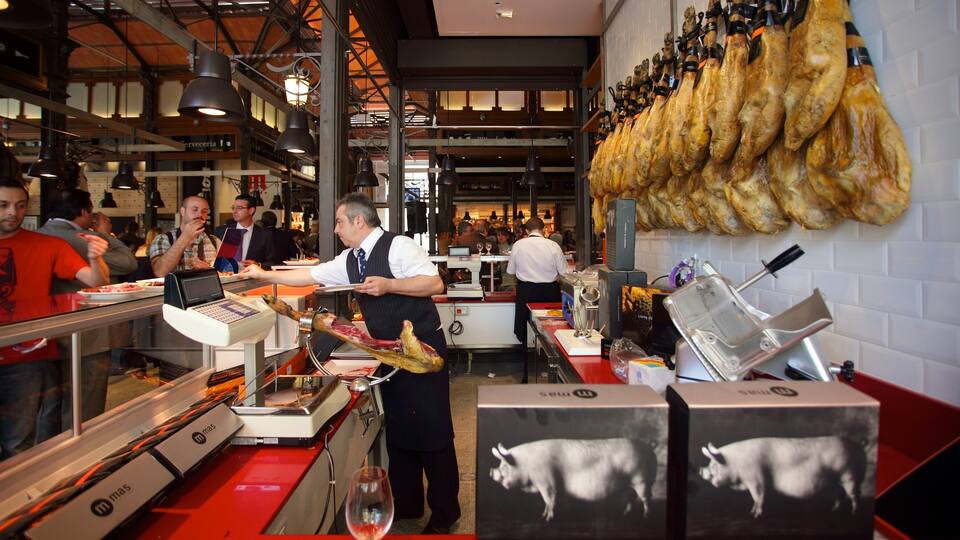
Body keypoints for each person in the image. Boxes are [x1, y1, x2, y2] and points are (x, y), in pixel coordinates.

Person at [241, 193, 460, 534]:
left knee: (433, 432)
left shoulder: (398, 246)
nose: (336, 229)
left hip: (423, 351)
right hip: (387, 353)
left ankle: (446, 513)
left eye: (340, 222)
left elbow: (434, 282)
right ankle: (407, 503)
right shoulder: (350, 258)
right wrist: (262, 275)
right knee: (401, 431)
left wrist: (389, 284)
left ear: (360, 221)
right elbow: (311, 275)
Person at [0, 177, 109, 459]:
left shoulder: (46, 245)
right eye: (3, 205)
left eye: (20, 206)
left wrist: (95, 256)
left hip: (26, 357)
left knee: (18, 442)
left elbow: (94, 281)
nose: (13, 212)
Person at [38, 189, 138, 429]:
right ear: (85, 213)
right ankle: (81, 462)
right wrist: (102, 233)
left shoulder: (35, 235)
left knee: (49, 404)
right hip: (88, 334)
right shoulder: (84, 239)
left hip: (44, 333)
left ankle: (47, 458)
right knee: (85, 406)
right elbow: (128, 261)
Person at [506, 217, 568, 383]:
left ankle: (527, 373)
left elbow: (510, 270)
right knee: (553, 331)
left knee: (525, 331)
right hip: (550, 292)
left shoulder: (519, 245)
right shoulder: (553, 245)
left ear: (526, 231)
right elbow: (564, 272)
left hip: (526, 291)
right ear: (544, 229)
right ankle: (556, 372)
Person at [149, 195, 220, 278]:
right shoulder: (163, 239)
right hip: (176, 290)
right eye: (195, 209)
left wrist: (208, 269)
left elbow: (227, 271)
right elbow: (160, 272)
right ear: (182, 211)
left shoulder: (215, 241)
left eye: (204, 211)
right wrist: (185, 237)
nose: (199, 214)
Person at [215, 194, 272, 267]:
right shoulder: (222, 231)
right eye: (233, 208)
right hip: (226, 276)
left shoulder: (265, 234)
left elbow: (272, 262)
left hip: (251, 277)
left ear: (251, 211)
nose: (234, 211)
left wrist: (258, 265)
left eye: (239, 208)